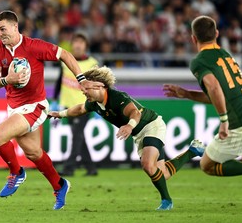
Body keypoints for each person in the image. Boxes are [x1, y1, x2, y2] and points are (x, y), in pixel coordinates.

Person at [163, 15, 242, 223]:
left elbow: (214, 88)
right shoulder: (225, 55)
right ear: (217, 34)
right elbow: (217, 93)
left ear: (193, 39)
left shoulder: (199, 61)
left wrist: (223, 120)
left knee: (208, 165)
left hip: (241, 123)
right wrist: (187, 94)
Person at [0, 10, 103, 210]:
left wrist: (81, 79)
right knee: (33, 153)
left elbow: (64, 54)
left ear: (15, 26)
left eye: (3, 29)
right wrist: (8, 79)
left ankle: (16, 172)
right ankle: (60, 185)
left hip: (35, 106)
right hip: (14, 107)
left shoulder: (33, 46)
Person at [48, 66, 205, 210]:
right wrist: (60, 114)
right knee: (162, 174)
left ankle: (167, 201)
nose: (83, 92)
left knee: (147, 164)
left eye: (86, 88)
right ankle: (193, 151)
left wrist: (129, 126)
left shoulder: (116, 97)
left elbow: (135, 113)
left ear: (99, 86)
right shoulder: (94, 103)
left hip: (151, 125)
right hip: (138, 134)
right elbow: (80, 108)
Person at [52, 32, 99, 176]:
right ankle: (91, 168)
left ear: (86, 46)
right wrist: (55, 100)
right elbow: (60, 80)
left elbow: (99, 85)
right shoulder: (66, 61)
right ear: (72, 45)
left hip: (84, 105)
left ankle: (69, 168)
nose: (78, 45)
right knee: (79, 136)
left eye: (81, 42)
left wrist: (99, 104)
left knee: (76, 135)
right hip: (68, 105)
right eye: (76, 42)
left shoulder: (92, 64)